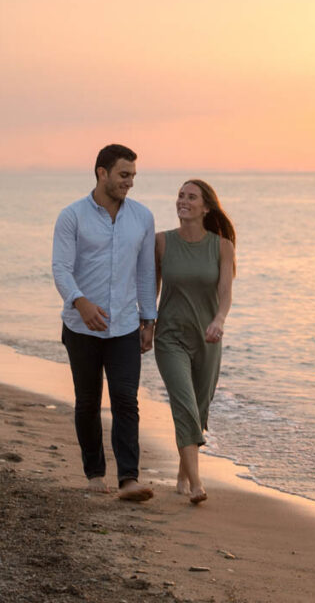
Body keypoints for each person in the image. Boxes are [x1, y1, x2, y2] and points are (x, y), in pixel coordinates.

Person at [52, 144, 157, 502]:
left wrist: (149, 320)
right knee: (87, 401)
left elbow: (146, 272)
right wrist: (80, 303)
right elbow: (61, 269)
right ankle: (95, 474)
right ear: (102, 173)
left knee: (126, 399)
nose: (129, 182)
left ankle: (129, 478)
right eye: (123, 175)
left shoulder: (142, 217)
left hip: (126, 325)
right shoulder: (72, 216)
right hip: (81, 326)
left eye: (132, 176)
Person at [154, 179, 235, 505]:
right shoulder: (161, 242)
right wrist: (146, 324)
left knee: (199, 409)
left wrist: (219, 320)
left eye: (191, 197)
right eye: (180, 196)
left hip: (207, 338)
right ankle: (197, 484)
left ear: (206, 207)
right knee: (184, 404)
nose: (182, 201)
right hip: (170, 336)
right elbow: (151, 290)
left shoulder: (222, 246)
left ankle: (182, 473)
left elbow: (225, 294)